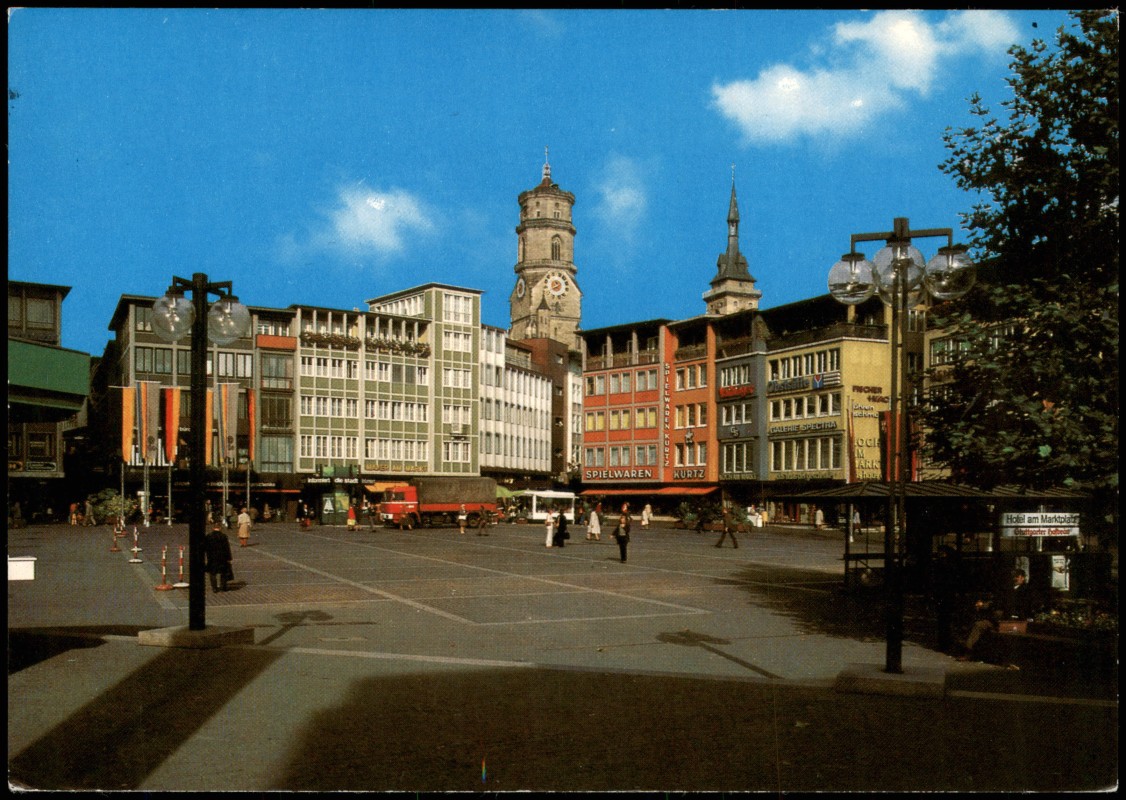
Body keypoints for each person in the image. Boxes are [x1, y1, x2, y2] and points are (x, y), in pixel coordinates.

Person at [959, 568, 1034, 662]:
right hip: (999, 619)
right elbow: (997, 603)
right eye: (1013, 576)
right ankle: (968, 652)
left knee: (1002, 629)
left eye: (1017, 576)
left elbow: (1023, 608)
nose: (1014, 578)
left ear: (1022, 578)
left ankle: (1003, 659)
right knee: (979, 625)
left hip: (1013, 621)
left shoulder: (1026, 591)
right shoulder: (1008, 589)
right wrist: (984, 605)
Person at [204, 524, 234, 593]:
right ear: (220, 528)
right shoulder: (223, 536)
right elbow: (227, 548)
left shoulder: (209, 536)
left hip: (212, 557)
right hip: (222, 557)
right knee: (223, 572)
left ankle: (214, 588)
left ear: (213, 528)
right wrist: (229, 558)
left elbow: (205, 547)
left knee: (212, 573)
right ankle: (223, 586)